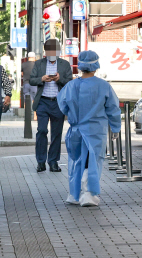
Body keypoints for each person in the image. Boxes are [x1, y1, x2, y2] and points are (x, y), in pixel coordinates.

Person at [57, 51, 121, 207]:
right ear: (96, 66)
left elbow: (62, 105)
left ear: (80, 66)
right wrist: (115, 128)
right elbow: (113, 109)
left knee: (76, 161)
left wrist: (73, 115)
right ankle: (89, 195)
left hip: (76, 130)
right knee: (92, 161)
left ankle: (74, 194)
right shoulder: (104, 86)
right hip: (95, 131)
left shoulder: (70, 86)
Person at [29, 39, 73, 173]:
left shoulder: (65, 65)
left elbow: (70, 83)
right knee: (42, 131)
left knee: (56, 133)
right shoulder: (39, 64)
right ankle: (41, 162)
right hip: (43, 101)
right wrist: (42, 79)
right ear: (46, 52)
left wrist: (59, 79)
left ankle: (53, 161)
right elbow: (31, 80)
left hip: (58, 102)